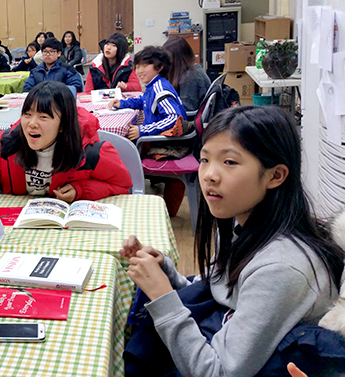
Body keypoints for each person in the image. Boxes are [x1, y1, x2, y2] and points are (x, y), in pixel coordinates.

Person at [120, 105, 344, 377]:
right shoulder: (243, 224)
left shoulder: (282, 268)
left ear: (275, 175)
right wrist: (166, 274)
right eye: (204, 159)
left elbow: (218, 372)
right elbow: (220, 294)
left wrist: (161, 296)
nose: (209, 175)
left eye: (229, 162)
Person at [0, 81, 131, 212]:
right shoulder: (8, 143)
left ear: (63, 124)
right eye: (27, 114)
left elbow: (122, 187)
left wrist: (81, 190)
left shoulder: (90, 152)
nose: (32, 123)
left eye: (43, 117)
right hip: (18, 226)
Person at [108, 46, 186, 141]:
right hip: (155, 137)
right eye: (137, 67)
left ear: (159, 67)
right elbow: (142, 100)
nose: (139, 71)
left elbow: (174, 118)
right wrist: (122, 103)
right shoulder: (152, 85)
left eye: (144, 66)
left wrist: (143, 130)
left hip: (166, 142)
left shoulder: (160, 89)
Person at [163, 36, 211, 113]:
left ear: (176, 60)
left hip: (188, 119)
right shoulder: (195, 69)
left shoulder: (189, 78)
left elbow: (186, 110)